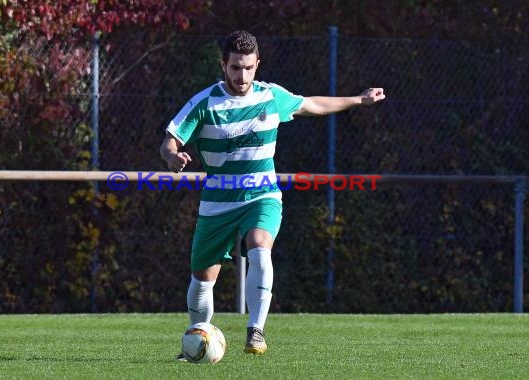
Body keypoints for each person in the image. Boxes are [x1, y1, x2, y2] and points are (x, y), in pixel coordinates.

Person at [160, 30, 385, 358]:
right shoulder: (204, 102)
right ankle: (195, 340)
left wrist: (358, 100)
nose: (242, 75)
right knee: (202, 280)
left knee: (260, 245)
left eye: (249, 68)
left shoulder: (270, 96)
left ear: (257, 65)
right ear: (223, 65)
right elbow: (170, 139)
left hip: (261, 194)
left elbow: (312, 104)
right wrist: (172, 157)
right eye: (236, 68)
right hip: (218, 201)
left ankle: (256, 331)